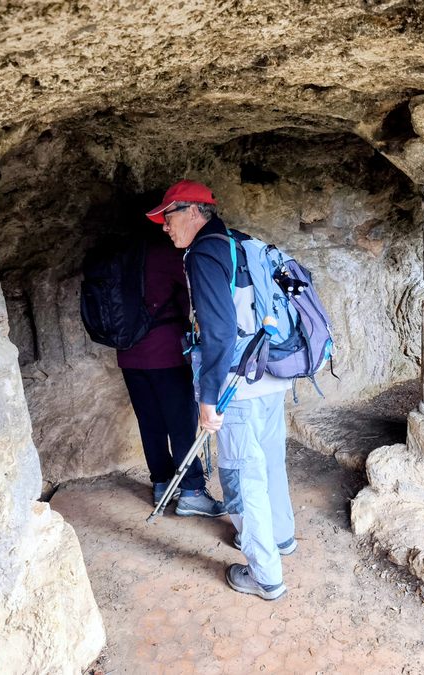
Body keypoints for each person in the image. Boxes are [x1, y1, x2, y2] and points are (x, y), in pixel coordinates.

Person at [146, 180, 296, 601]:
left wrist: (208, 399)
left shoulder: (205, 254)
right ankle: (281, 538)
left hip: (236, 387)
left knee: (241, 475)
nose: (164, 227)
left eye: (169, 216)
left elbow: (218, 332)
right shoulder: (241, 242)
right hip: (268, 374)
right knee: (269, 463)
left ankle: (265, 575)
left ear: (195, 212)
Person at [117, 226, 226, 518]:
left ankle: (162, 483)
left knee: (150, 422)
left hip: (128, 355)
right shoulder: (170, 254)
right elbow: (189, 299)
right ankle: (191, 491)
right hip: (167, 353)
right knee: (181, 424)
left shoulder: (123, 254)